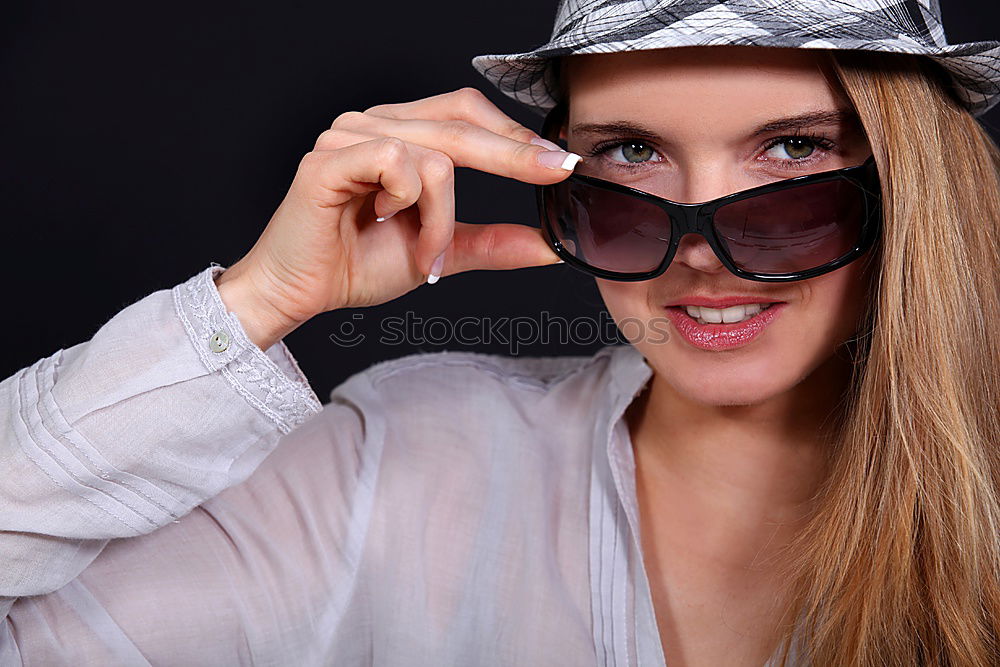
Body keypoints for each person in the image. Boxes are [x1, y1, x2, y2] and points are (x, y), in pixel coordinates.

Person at [2, 0, 999, 665]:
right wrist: (255, 302)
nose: (705, 251)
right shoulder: (411, 460)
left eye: (792, 150)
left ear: (910, 186)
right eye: (632, 151)